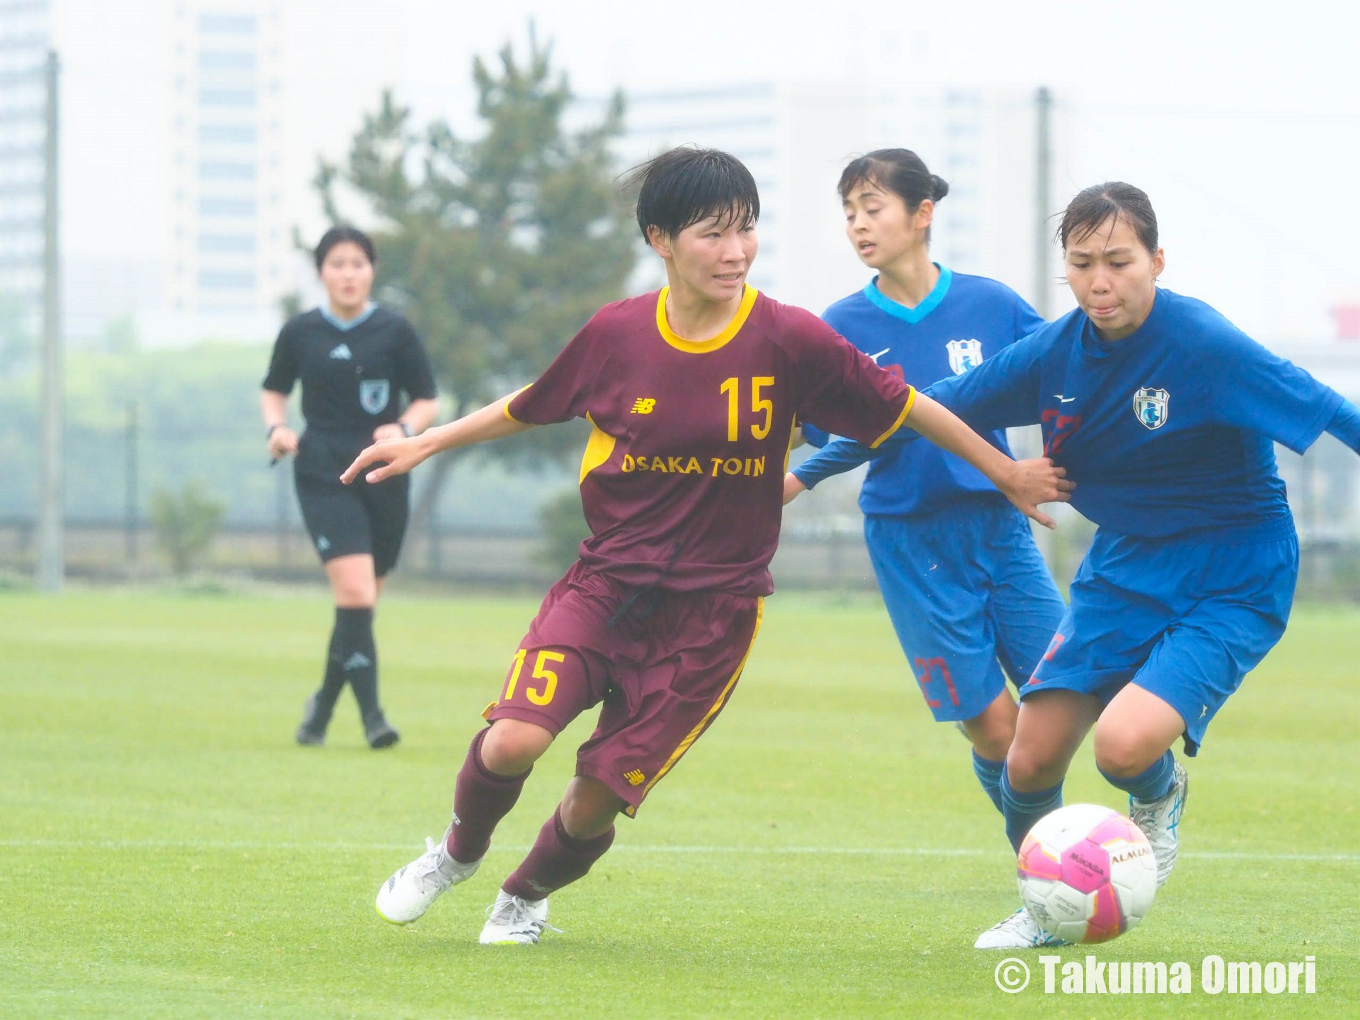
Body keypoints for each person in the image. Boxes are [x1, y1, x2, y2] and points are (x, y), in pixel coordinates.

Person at [341, 147, 1070, 945]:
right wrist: (424, 444)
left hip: (713, 618)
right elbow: (532, 403)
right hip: (607, 587)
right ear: (660, 238)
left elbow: (910, 409)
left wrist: (1005, 472)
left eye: (747, 231)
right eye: (713, 234)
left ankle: (522, 898)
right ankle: (455, 855)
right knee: (513, 738)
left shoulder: (790, 338)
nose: (735, 252)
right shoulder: (617, 333)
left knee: (594, 797)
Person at [787, 181, 1360, 949]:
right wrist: (801, 469)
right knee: (1027, 763)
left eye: (1119, 262)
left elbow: (1331, 411)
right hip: (1123, 567)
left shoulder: (1204, 343)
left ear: (1157, 261)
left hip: (1234, 571)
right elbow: (924, 408)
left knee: (1122, 748)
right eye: (1083, 263)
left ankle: (1159, 798)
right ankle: (1049, 905)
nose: (1100, 281)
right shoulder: (1057, 352)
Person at [795, 149, 1066, 816]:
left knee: (1065, 695)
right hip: (911, 541)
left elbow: (1065, 381)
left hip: (999, 530)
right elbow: (821, 435)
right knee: (997, 730)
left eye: (872, 208)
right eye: (849, 213)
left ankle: (1117, 814)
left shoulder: (992, 305)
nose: (858, 224)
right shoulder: (840, 329)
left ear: (922, 214)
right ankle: (1044, 855)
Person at [261, 225, 439, 749]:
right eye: (337, 263)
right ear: (321, 272)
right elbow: (274, 390)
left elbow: (427, 397)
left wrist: (404, 428)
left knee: (360, 605)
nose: (347, 273)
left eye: (357, 263)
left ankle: (319, 709)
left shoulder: (396, 330)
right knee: (356, 593)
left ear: (371, 271)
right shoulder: (299, 332)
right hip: (322, 471)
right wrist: (277, 429)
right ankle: (374, 720)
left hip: (384, 472)